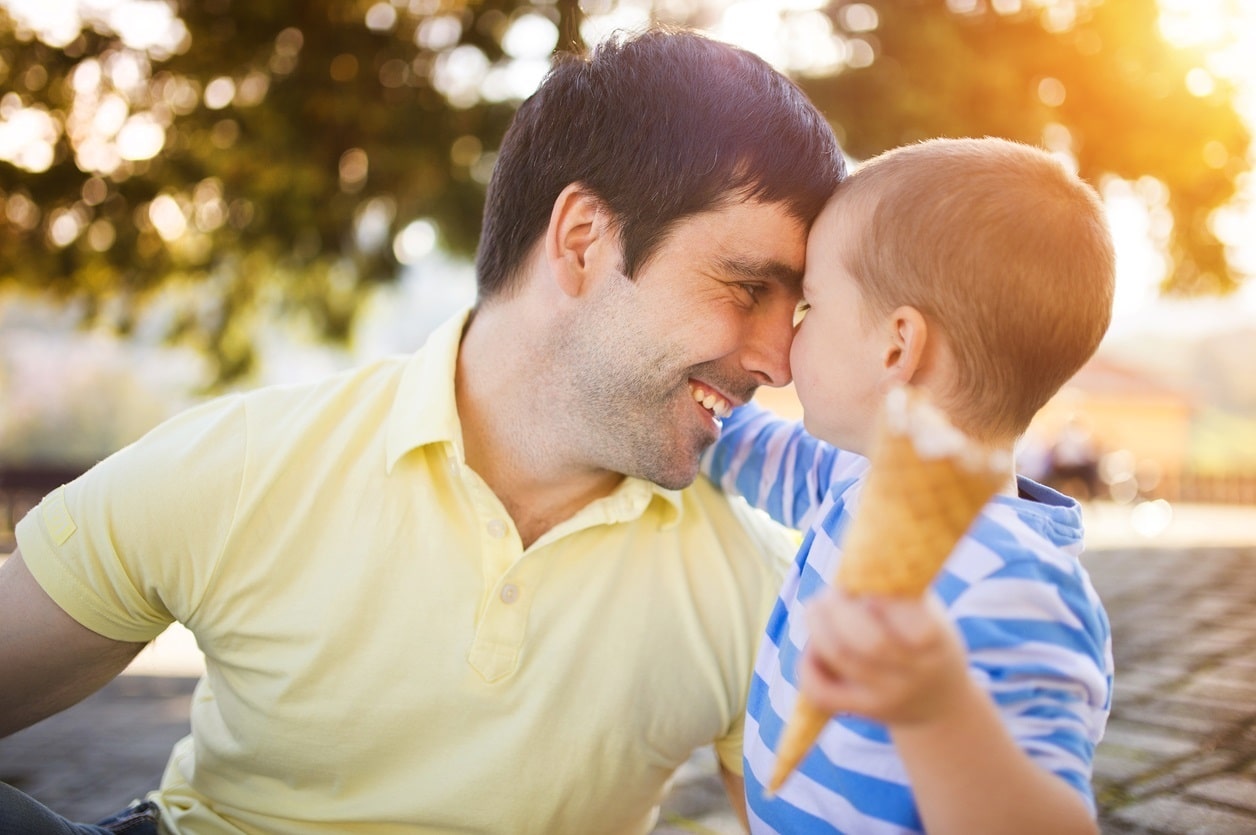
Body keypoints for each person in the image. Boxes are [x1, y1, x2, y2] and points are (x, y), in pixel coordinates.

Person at [0, 26, 845, 835]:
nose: (782, 360)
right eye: (745, 287)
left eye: (797, 308)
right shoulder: (244, 465)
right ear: (583, 239)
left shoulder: (763, 587)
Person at [701, 137, 1115, 834]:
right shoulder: (856, 481)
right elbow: (747, 448)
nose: (784, 342)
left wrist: (939, 709)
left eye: (810, 308)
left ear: (896, 346)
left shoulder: (1021, 587)